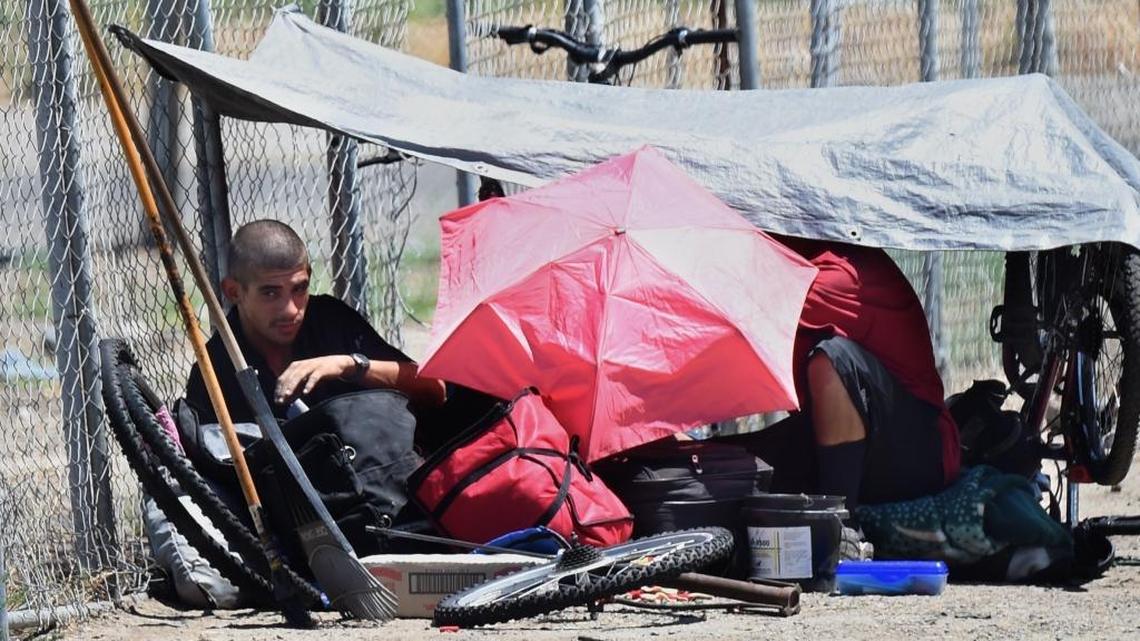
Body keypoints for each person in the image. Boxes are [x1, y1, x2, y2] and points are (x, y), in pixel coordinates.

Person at [730, 237, 960, 515]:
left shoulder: (839, 276)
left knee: (833, 361)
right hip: (847, 442)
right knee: (715, 463)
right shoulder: (799, 269)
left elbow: (725, 328)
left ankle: (839, 524)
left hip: (923, 453)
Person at [184, 219, 446, 424]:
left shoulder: (329, 319)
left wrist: (350, 365)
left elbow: (435, 390)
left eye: (299, 289)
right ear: (234, 292)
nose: (290, 310)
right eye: (270, 293)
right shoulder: (215, 370)